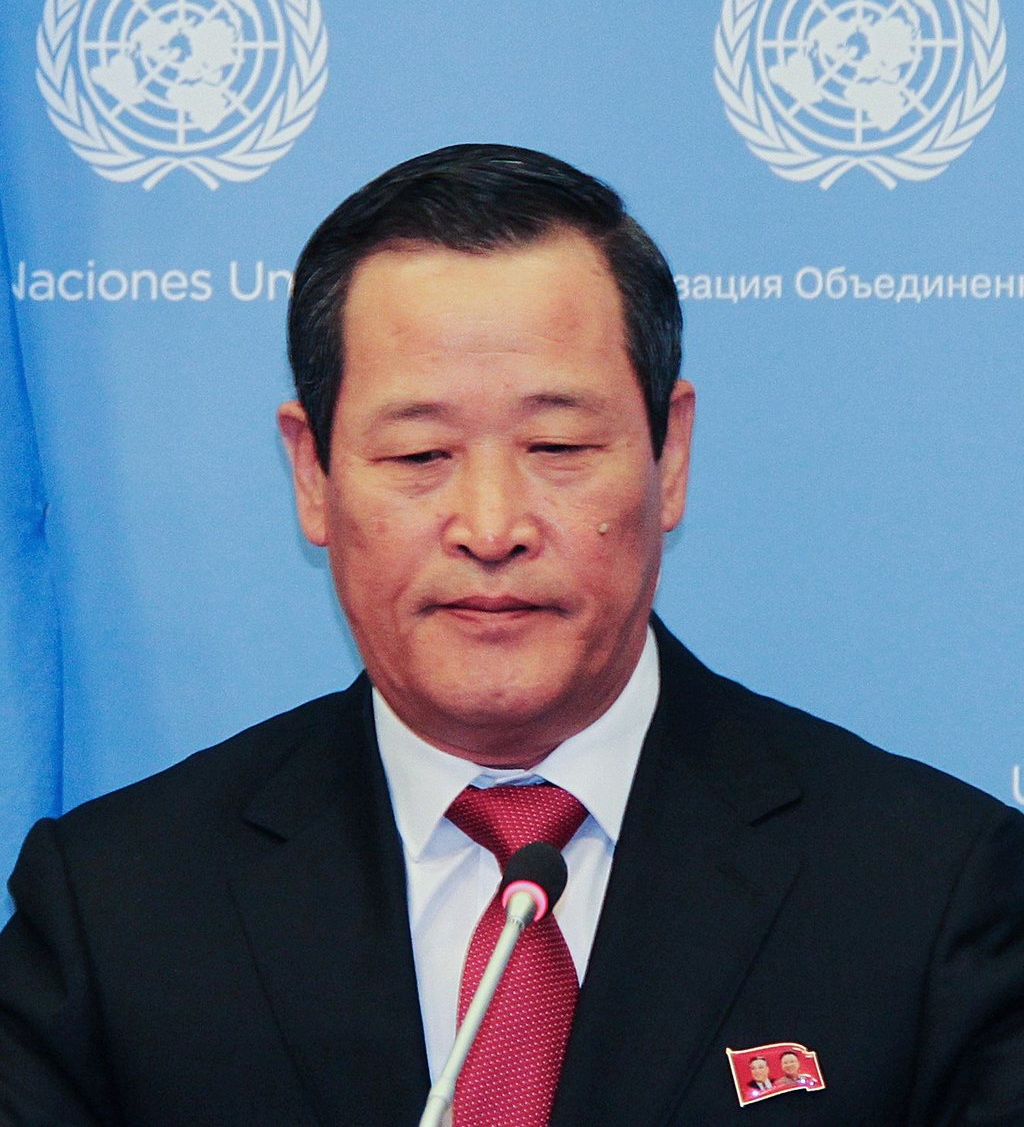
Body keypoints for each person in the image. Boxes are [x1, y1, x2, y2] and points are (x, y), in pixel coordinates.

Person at [0, 143, 1023, 1127]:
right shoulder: (120, 910)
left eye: (558, 444)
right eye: (420, 453)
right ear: (312, 474)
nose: (491, 528)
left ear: (669, 459)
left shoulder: (926, 889)